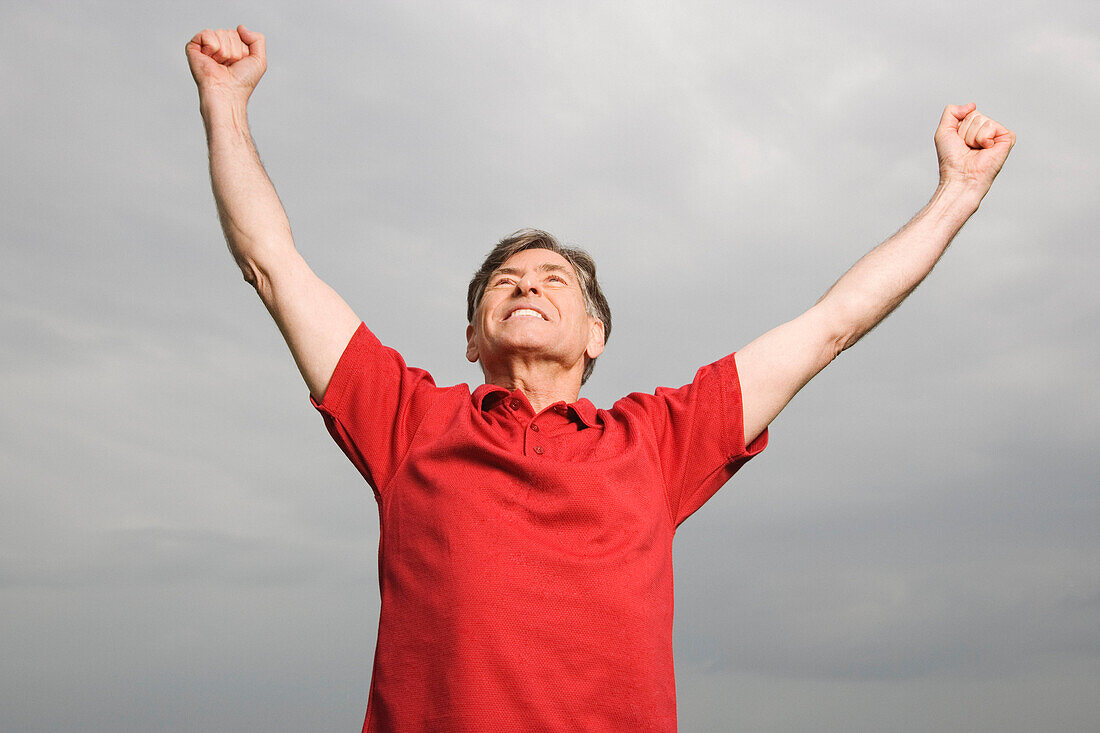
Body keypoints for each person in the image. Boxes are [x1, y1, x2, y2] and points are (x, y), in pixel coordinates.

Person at [186, 25, 1015, 733]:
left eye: (554, 279)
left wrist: (958, 193)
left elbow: (833, 324)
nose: (525, 284)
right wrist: (224, 103)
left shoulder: (658, 440)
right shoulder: (411, 421)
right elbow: (274, 266)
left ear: (596, 336)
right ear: (472, 339)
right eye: (503, 282)